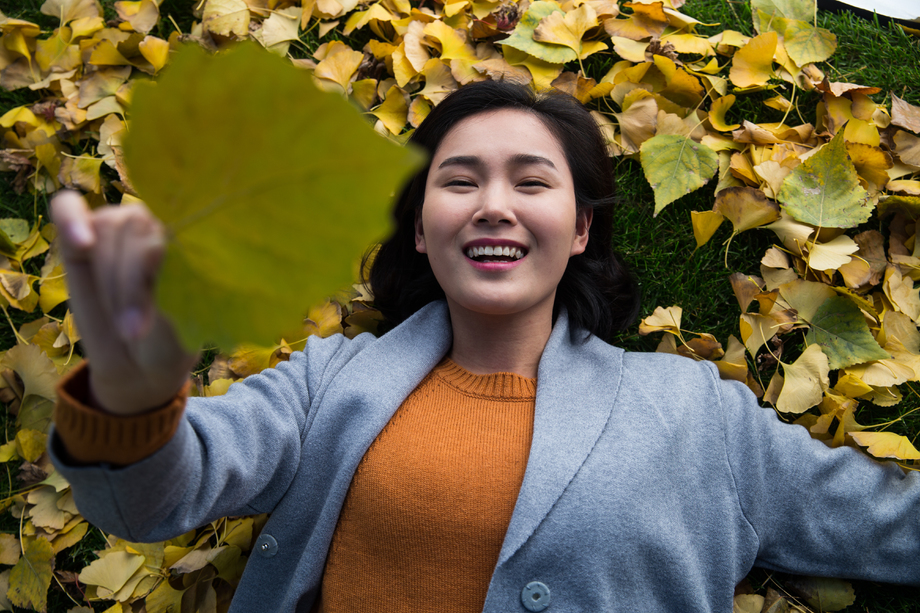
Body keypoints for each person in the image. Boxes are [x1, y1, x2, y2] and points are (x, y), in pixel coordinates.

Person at [49, 81, 920, 613]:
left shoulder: (697, 412)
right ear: (423, 232)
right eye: (458, 180)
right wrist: (130, 398)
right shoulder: (331, 382)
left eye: (531, 181)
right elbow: (150, 503)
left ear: (579, 229)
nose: (492, 204)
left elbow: (888, 521)